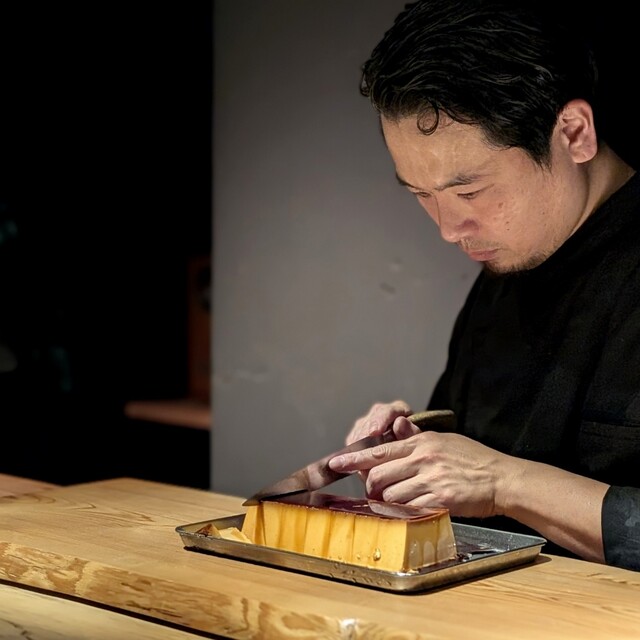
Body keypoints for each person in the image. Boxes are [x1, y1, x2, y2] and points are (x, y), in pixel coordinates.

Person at [327, 0, 640, 571]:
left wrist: (504, 482)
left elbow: (497, 475)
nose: (449, 229)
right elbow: (476, 454)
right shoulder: (509, 263)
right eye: (422, 195)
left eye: (469, 192)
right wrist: (414, 445)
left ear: (573, 134)